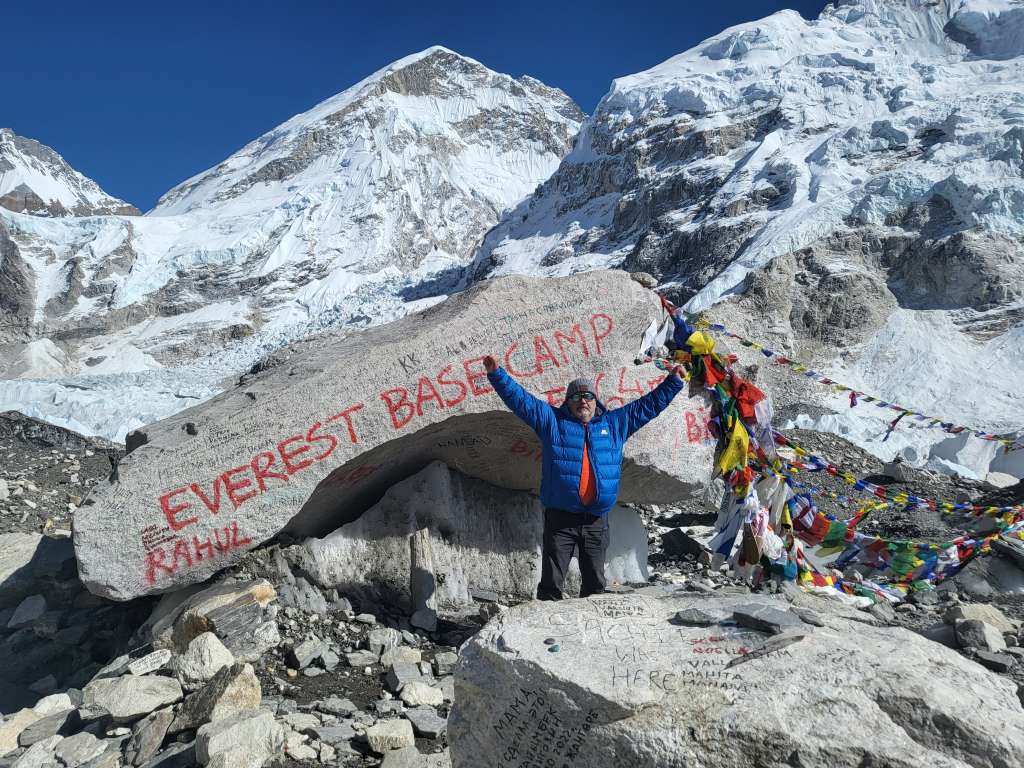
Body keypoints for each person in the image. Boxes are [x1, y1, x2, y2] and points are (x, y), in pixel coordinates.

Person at [483, 355, 686, 599]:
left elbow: (647, 406)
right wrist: (497, 375)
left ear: (595, 401)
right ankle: (548, 633)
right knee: (551, 584)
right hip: (560, 520)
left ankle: (590, 633)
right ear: (568, 402)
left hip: (596, 522)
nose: (583, 401)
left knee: (595, 586)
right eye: (576, 397)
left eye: (588, 396)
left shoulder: (614, 424)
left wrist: (673, 382)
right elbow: (521, 401)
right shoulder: (552, 423)